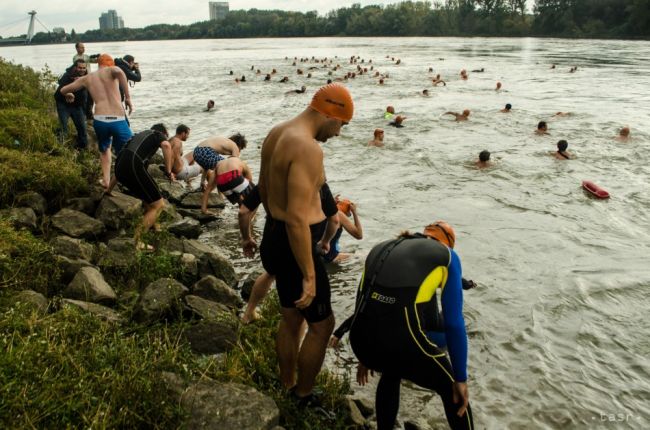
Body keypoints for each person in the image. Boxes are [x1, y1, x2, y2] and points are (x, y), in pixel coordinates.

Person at [256, 83, 353, 404]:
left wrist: (275, 223)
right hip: (296, 245)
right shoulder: (308, 147)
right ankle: (303, 394)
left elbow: (263, 187)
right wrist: (310, 275)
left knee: (291, 317)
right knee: (323, 324)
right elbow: (298, 218)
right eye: (342, 124)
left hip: (275, 233)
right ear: (330, 113)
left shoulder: (277, 132)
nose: (339, 133)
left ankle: (287, 382)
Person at [331, 221, 473, 430]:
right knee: (452, 389)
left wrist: (367, 353)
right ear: (448, 244)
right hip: (399, 343)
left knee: (391, 369)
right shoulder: (448, 257)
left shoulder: (385, 246)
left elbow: (364, 302)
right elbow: (454, 322)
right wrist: (460, 378)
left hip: (362, 341)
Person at [239, 182, 339, 324]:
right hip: (300, 248)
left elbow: (243, 212)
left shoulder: (269, 179)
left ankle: (248, 313)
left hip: (272, 242)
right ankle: (300, 331)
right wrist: (325, 241)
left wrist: (246, 238)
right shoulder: (316, 182)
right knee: (307, 304)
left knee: (270, 273)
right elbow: (334, 220)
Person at [60, 54, 133, 191]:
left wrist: (68, 94)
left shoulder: (87, 78)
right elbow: (120, 72)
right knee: (128, 150)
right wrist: (128, 98)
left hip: (99, 121)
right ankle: (128, 179)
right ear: (110, 64)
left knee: (105, 150)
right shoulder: (111, 70)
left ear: (98, 64)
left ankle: (106, 180)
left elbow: (63, 89)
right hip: (117, 120)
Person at [107, 124, 174, 250]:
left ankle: (154, 224)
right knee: (159, 205)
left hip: (120, 167)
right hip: (132, 164)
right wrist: (168, 170)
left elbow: (121, 167)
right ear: (164, 133)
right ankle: (137, 240)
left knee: (149, 197)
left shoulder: (138, 138)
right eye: (167, 136)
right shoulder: (156, 134)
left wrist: (108, 190)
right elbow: (166, 145)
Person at [193, 134, 247, 213]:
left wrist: (202, 181)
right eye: (241, 149)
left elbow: (206, 165)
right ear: (239, 145)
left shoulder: (222, 143)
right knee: (224, 167)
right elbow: (234, 167)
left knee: (220, 167)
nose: (240, 151)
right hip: (205, 151)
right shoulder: (234, 146)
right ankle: (239, 202)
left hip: (196, 152)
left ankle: (218, 196)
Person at [54, 59, 88, 150]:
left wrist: (87, 113)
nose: (82, 70)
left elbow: (87, 97)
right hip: (63, 104)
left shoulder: (87, 77)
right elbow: (61, 89)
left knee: (82, 128)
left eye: (84, 68)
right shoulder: (67, 75)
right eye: (80, 68)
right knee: (63, 127)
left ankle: (81, 148)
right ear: (75, 67)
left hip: (77, 106)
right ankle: (59, 147)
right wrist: (67, 93)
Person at [319, 197, 363, 263]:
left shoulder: (321, 211)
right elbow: (359, 235)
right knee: (362, 256)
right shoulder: (339, 215)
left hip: (318, 253)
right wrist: (354, 212)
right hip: (330, 256)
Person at [72, 42, 98, 117]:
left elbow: (94, 61)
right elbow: (80, 62)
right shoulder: (75, 57)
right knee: (84, 96)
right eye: (82, 47)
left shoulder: (86, 56)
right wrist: (89, 58)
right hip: (81, 79)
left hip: (89, 78)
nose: (84, 49)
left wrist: (97, 58)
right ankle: (85, 113)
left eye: (84, 47)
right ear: (77, 48)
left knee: (91, 96)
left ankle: (90, 112)